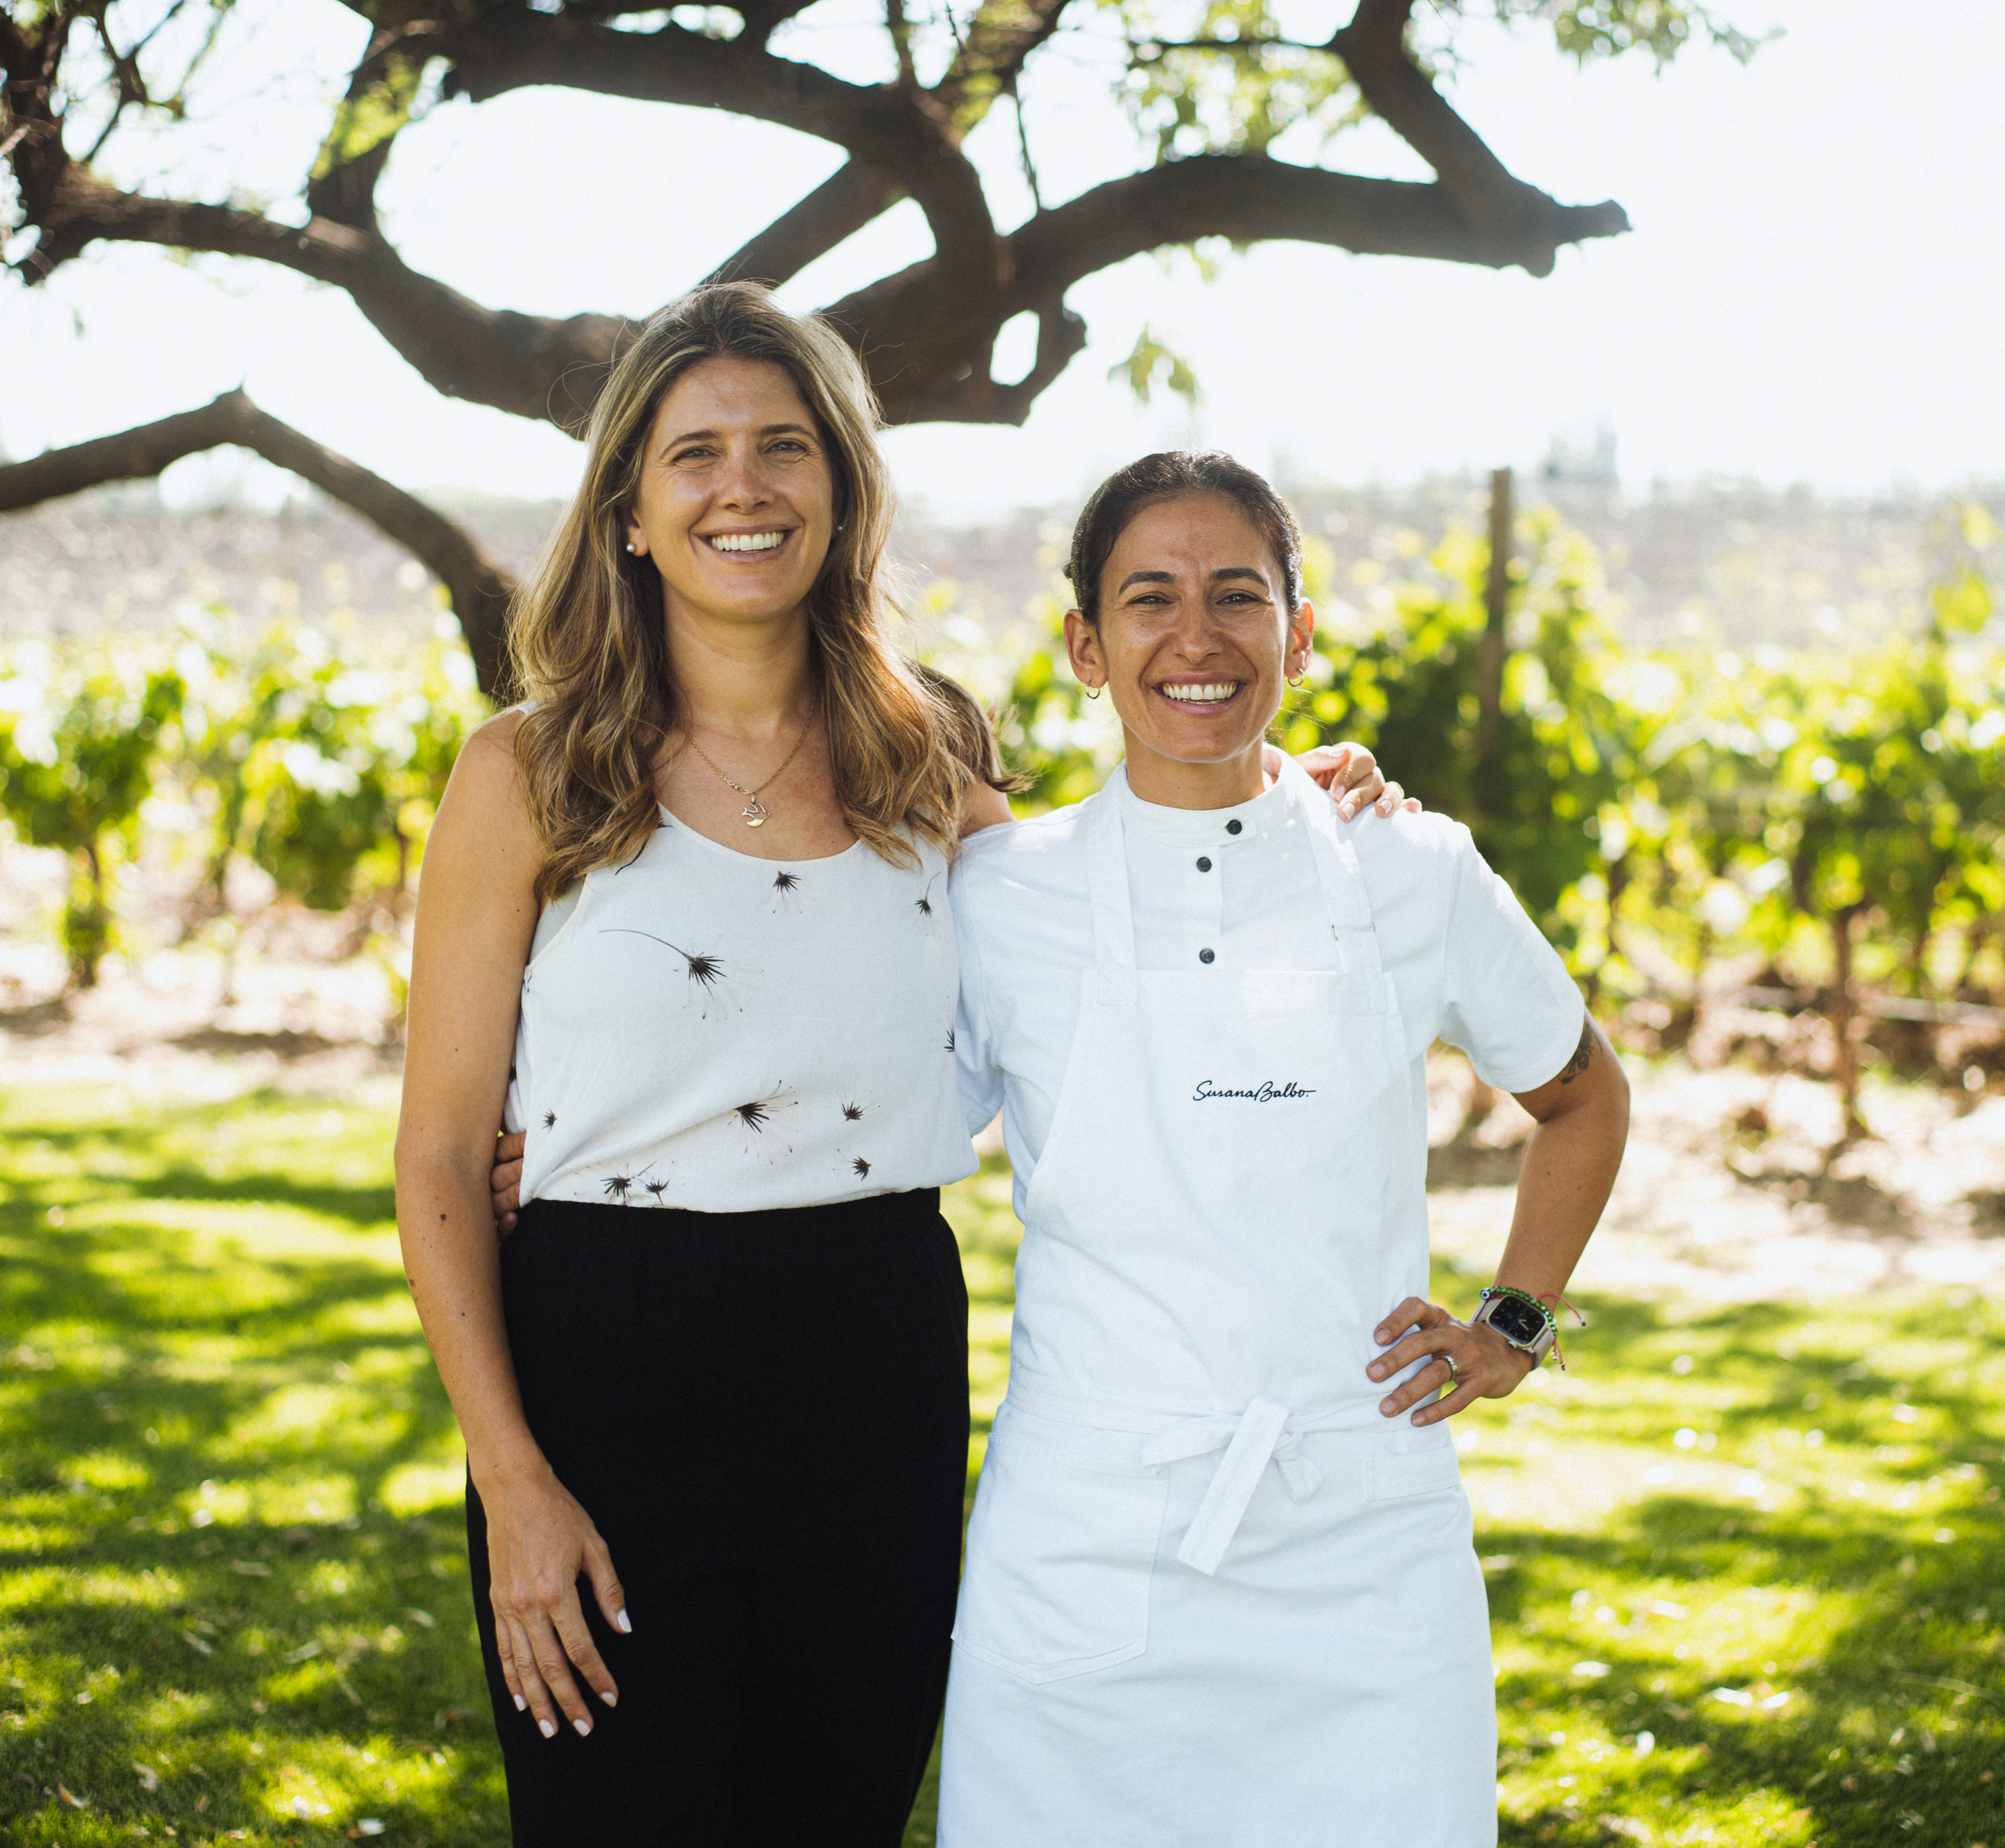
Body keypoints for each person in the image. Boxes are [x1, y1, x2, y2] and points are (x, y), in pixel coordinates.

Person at [400, 284, 1402, 1847]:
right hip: (603, 1363)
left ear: (842, 488)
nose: (744, 486)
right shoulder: (525, 771)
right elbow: (440, 1157)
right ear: (630, 515)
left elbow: (1108, 923)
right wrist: (511, 1480)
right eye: (695, 454)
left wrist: (1286, 803)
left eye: (785, 446)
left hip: (870, 1357)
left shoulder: (923, 755)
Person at [937, 451, 1632, 1847]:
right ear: (1084, 644)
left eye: (1237, 596)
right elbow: (865, 1130)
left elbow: (1584, 1094)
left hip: (1363, 1541)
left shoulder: (1412, 868)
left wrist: (1517, 1320)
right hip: (1084, 1532)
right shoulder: (998, 895)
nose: (1195, 637)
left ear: (1298, 634)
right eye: (1148, 598)